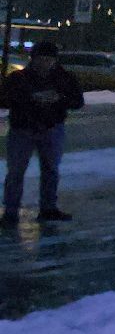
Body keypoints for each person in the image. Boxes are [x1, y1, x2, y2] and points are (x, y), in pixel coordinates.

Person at [3, 41, 85, 224]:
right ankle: (11, 211)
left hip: (51, 127)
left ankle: (48, 208)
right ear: (33, 59)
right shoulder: (18, 78)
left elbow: (77, 101)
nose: (45, 63)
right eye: (41, 59)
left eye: (48, 59)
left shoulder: (65, 78)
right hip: (23, 129)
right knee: (16, 171)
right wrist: (31, 99)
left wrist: (59, 99)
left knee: (50, 169)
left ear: (55, 60)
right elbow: (4, 99)